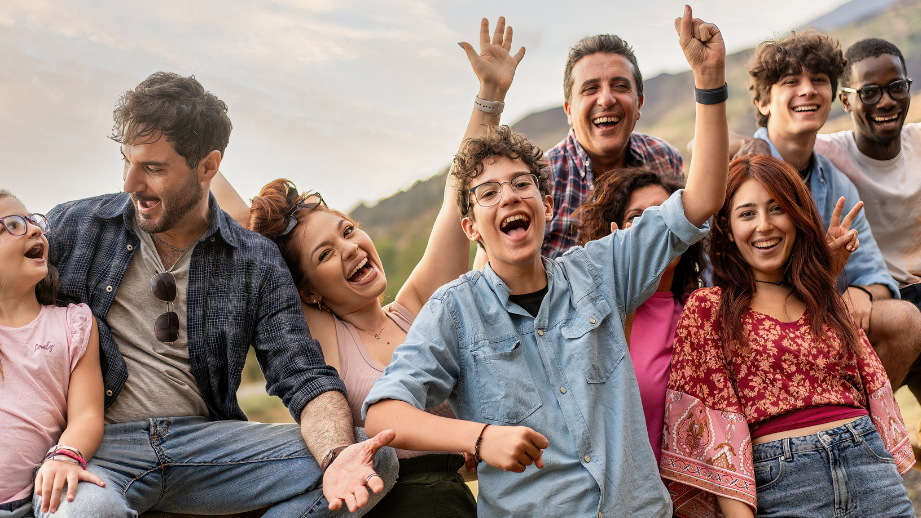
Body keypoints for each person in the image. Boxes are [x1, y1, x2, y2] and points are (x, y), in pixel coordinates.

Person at [364, 7, 728, 517]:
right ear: (471, 228)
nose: (509, 197)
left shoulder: (599, 270)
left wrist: (709, 83)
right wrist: (480, 438)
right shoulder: (455, 311)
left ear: (548, 203)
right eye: (488, 193)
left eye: (520, 185)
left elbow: (703, 196)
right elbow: (385, 410)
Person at [39, 72, 397, 517]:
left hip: (210, 449)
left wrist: (334, 457)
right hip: (101, 448)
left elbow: (302, 375)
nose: (132, 183)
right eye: (127, 160)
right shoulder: (73, 227)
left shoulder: (256, 261)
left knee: (367, 457)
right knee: (80, 511)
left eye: (152, 168)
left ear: (207, 167)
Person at [212, 17, 525, 518]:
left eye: (348, 230)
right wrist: (195, 141)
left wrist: (489, 95)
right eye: (324, 255)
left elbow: (454, 197)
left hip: (458, 503)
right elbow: (237, 232)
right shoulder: (321, 334)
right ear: (308, 291)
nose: (350, 248)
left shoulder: (417, 310)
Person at [660, 155, 914, 517]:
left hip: (870, 469)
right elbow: (719, 436)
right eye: (747, 213)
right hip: (784, 486)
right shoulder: (710, 308)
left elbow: (869, 390)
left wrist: (822, 274)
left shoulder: (826, 300)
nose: (764, 225)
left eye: (777, 208)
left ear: (796, 217)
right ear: (728, 230)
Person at [742, 30, 921, 388]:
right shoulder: (742, 176)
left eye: (819, 80)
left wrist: (863, 294)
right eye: (791, 81)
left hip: (830, 319)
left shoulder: (836, 181)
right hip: (758, 334)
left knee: (903, 319)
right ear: (763, 103)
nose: (808, 90)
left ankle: (869, 431)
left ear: (832, 95)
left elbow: (875, 273)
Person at [813, 37, 921, 399]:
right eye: (870, 92)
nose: (886, 102)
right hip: (875, 304)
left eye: (896, 88)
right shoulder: (829, 150)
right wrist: (755, 147)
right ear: (845, 99)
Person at [574, 168, 703, 464]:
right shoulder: (592, 319)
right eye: (638, 217)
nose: (655, 226)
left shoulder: (701, 313)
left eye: (664, 213)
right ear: (616, 234)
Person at [0, 190, 104, 518]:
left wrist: (65, 456)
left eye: (33, 220)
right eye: (13, 224)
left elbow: (87, 415)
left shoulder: (73, 324)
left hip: (24, 502)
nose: (34, 229)